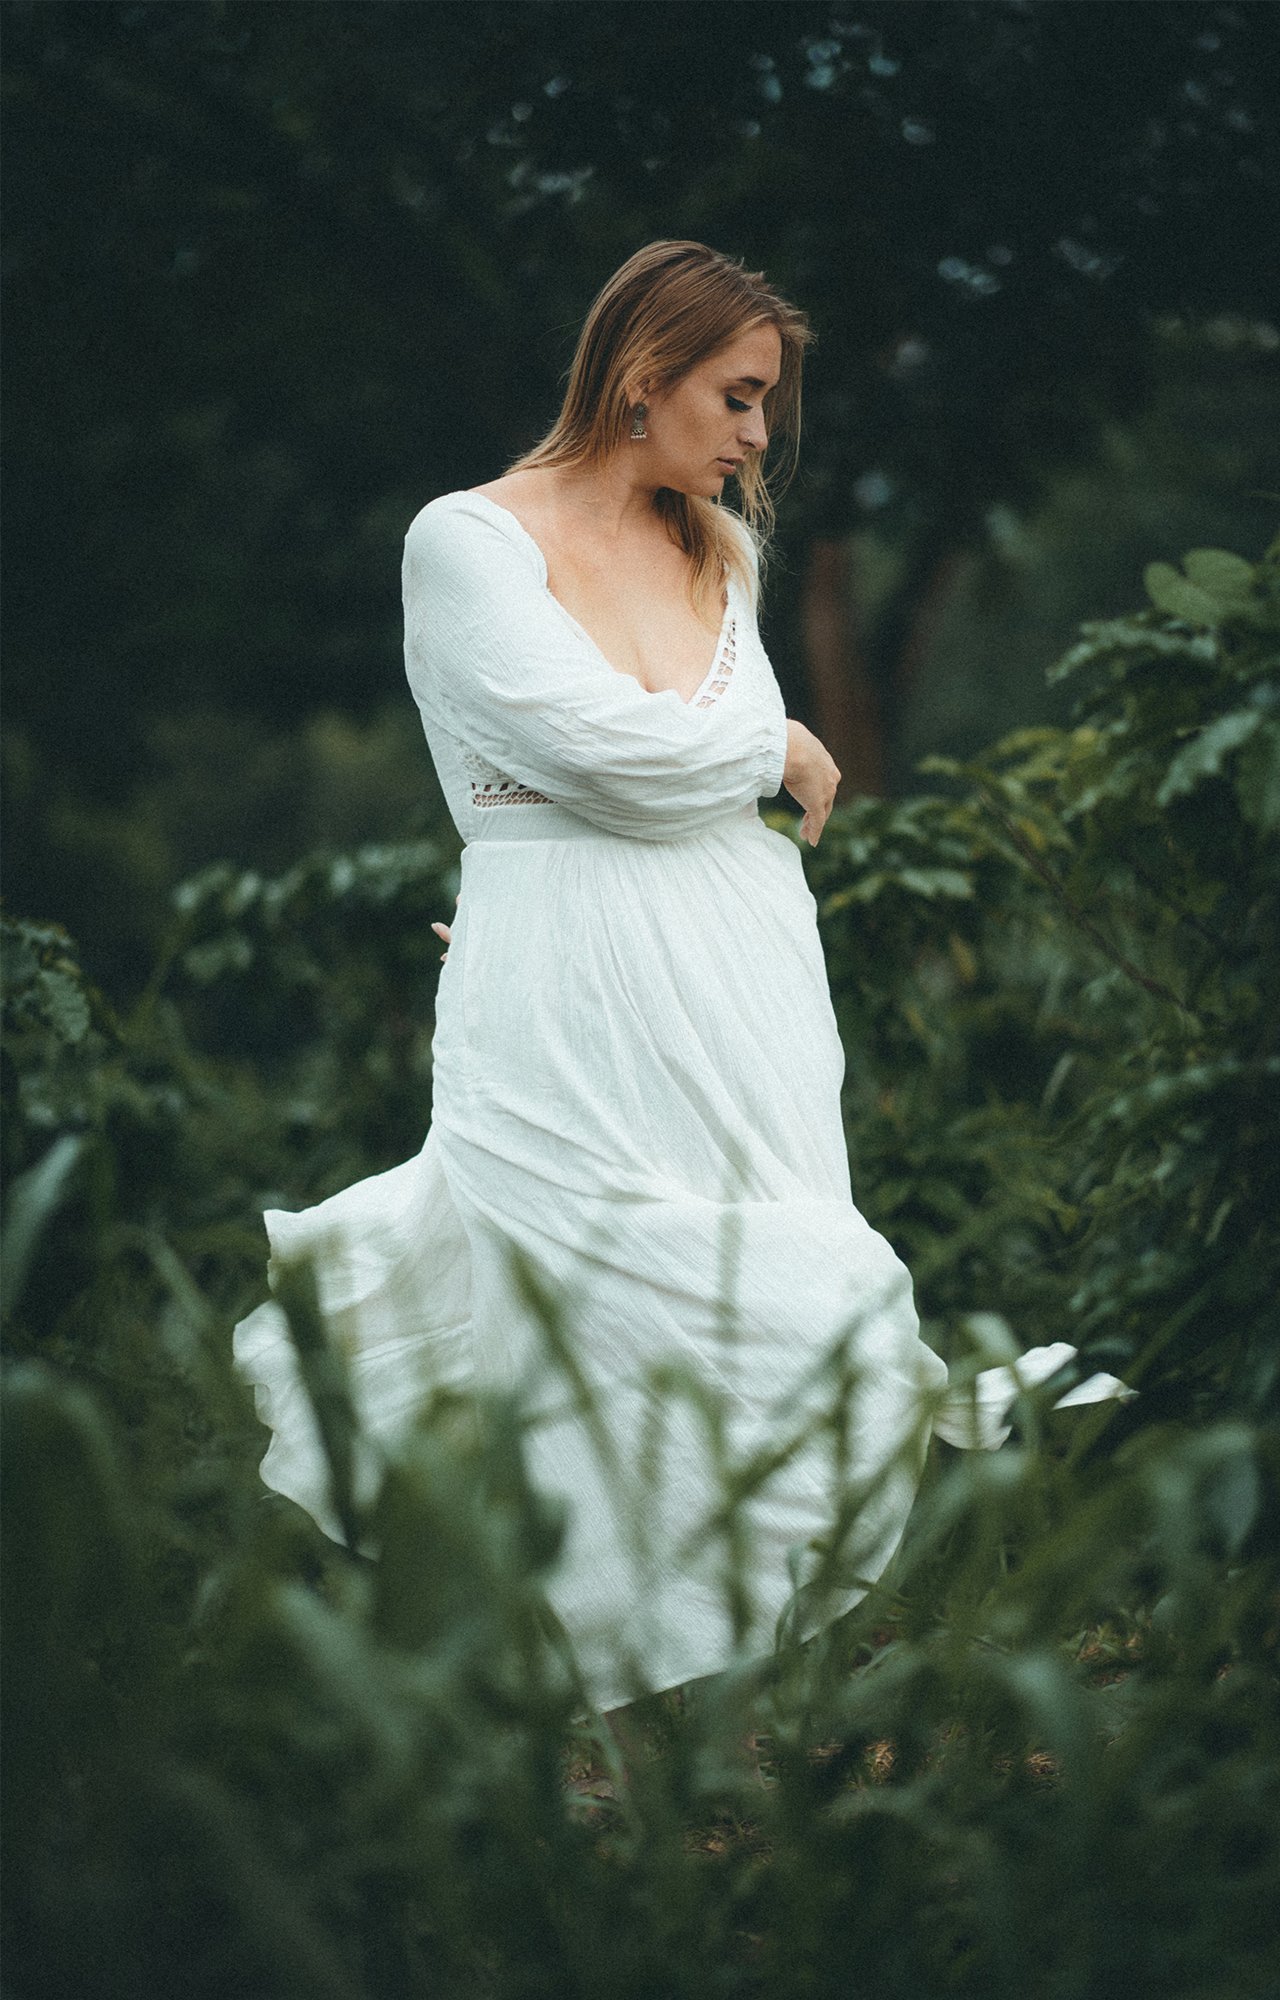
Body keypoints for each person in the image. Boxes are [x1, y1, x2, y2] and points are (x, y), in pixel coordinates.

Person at [232, 241, 1131, 1718]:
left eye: (766, 403)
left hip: (742, 972)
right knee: (586, 1283)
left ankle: (706, 1676)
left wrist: (735, 773)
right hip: (561, 969)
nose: (759, 435)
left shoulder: (721, 550)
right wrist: (770, 751)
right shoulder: (466, 541)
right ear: (643, 376)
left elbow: (671, 790)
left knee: (769, 1260)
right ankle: (556, 1663)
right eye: (740, 395)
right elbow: (587, 747)